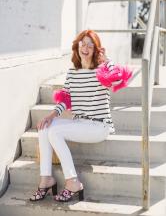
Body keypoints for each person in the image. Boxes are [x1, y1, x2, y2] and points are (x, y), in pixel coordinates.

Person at [30, 30, 131, 202]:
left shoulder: (102, 71)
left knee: (55, 133)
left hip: (99, 127)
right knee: (45, 126)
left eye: (90, 45)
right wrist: (51, 115)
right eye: (82, 43)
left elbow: (118, 81)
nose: (85, 48)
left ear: (96, 50)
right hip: (80, 123)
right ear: (77, 46)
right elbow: (65, 100)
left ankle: (73, 182)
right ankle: (46, 179)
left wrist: (106, 61)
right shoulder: (72, 73)